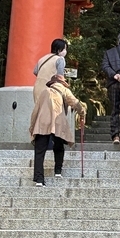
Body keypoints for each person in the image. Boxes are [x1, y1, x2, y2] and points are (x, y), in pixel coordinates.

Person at [29, 38, 82, 186]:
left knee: (43, 123)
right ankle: (58, 169)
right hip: (55, 94)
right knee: (57, 129)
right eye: (65, 49)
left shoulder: (43, 58)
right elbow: (60, 76)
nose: (65, 52)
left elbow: (35, 71)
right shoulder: (60, 60)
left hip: (39, 92)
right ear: (60, 50)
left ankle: (38, 178)